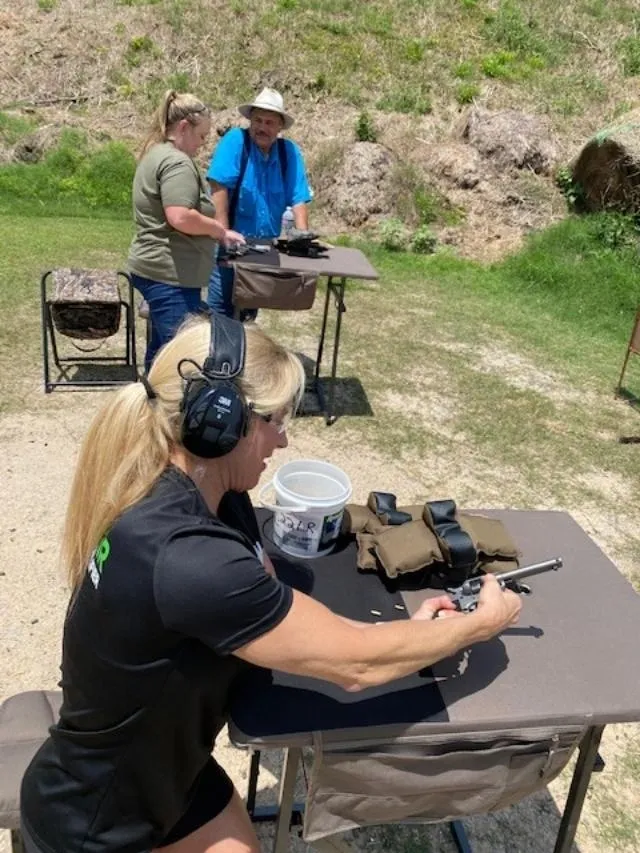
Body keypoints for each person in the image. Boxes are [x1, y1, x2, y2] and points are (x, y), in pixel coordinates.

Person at [20, 313, 521, 853]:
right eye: (276, 419)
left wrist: (407, 637)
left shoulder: (199, 495)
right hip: (99, 822)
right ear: (221, 422)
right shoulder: (190, 558)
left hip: (167, 773)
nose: (282, 439)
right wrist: (478, 625)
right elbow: (356, 664)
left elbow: (268, 593)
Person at [128, 89, 245, 370]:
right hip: (170, 276)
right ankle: (164, 409)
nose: (202, 145)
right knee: (178, 359)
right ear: (183, 127)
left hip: (163, 272)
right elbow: (179, 216)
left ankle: (150, 403)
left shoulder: (157, 154)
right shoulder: (177, 163)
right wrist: (218, 230)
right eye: (202, 136)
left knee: (161, 352)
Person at [205, 87, 313, 317]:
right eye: (258, 120)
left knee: (247, 319)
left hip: (263, 252)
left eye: (269, 122)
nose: (262, 127)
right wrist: (223, 236)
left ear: (280, 127)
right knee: (220, 318)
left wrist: (302, 238)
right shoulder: (235, 141)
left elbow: (299, 197)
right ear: (250, 120)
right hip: (231, 249)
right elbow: (218, 187)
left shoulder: (289, 153)